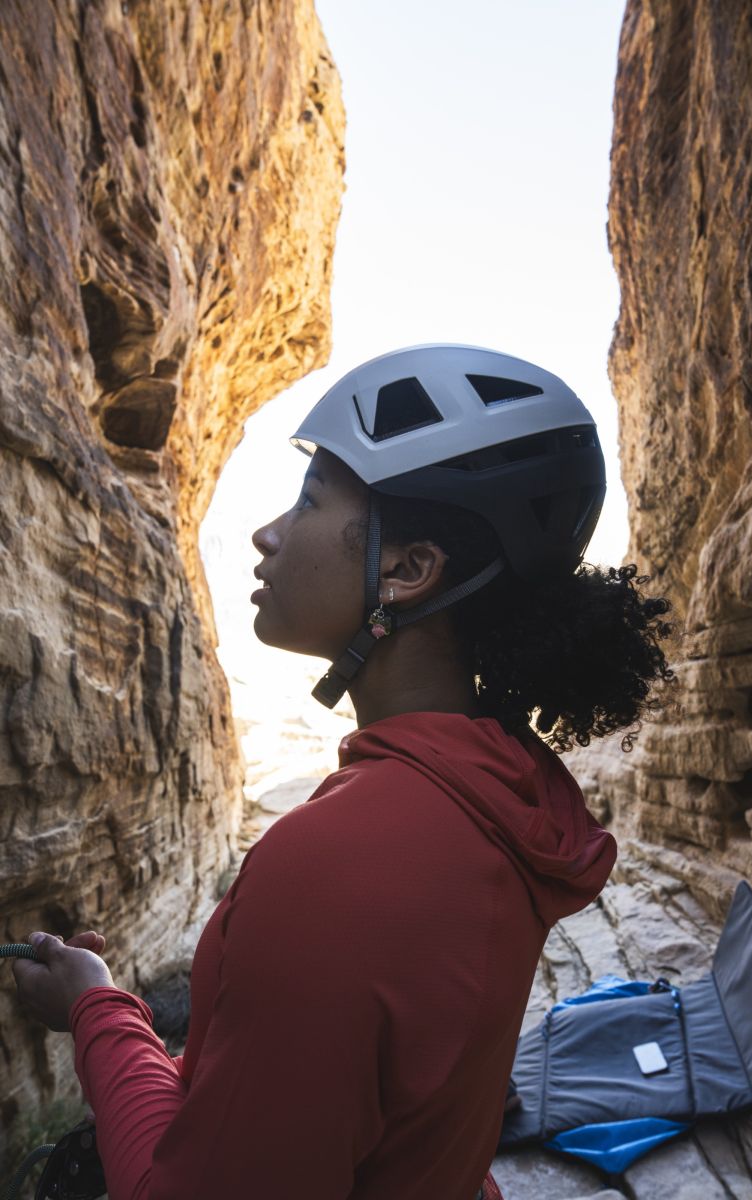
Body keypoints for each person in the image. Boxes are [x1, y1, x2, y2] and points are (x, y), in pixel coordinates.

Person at [12, 345, 674, 1200]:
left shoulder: (339, 866)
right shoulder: (498, 798)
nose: (267, 534)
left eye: (310, 499)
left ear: (407, 570)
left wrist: (94, 1011)